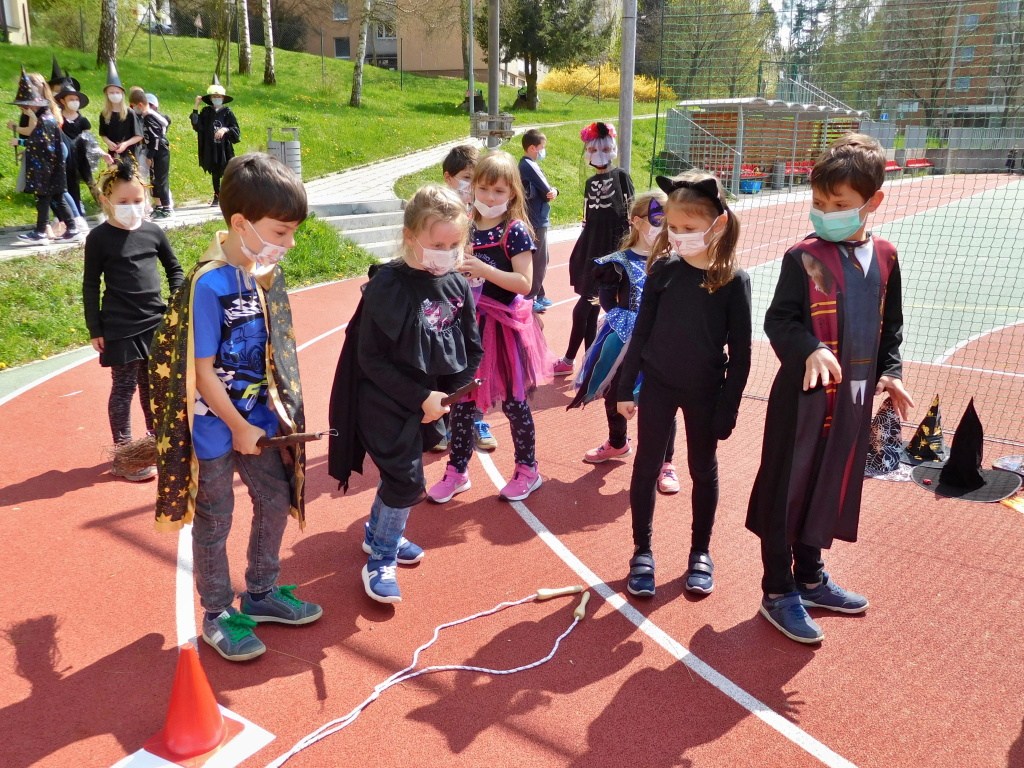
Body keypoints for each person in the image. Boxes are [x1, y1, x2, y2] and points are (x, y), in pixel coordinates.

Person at [148, 153, 322, 661]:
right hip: (215, 430)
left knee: (275, 498)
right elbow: (201, 373)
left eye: (293, 233)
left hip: (259, 423)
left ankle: (262, 592)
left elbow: (274, 354)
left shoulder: (262, 274)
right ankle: (218, 612)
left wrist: (267, 417)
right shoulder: (209, 284)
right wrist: (238, 426)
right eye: (281, 232)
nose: (289, 244)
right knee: (215, 518)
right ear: (241, 223)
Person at [746, 133, 914, 644]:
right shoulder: (805, 256)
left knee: (828, 487)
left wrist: (891, 372)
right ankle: (778, 591)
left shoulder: (885, 257)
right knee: (787, 490)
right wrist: (810, 348)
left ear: (872, 201)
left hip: (853, 402)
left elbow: (891, 328)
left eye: (838, 205)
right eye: (819, 202)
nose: (825, 213)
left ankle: (811, 578)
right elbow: (779, 320)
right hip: (803, 399)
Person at [328, 185, 483, 604]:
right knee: (407, 479)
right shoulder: (388, 286)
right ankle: (380, 558)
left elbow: (471, 347)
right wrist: (419, 397)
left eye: (454, 245)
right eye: (438, 245)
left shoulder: (457, 284)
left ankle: (379, 534)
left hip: (430, 404)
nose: (447, 254)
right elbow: (371, 359)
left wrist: (448, 397)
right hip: (383, 399)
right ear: (410, 236)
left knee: (401, 474)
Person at [616, 171, 751, 599]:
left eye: (688, 227)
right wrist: (624, 388)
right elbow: (641, 332)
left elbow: (742, 354)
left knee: (702, 470)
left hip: (705, 392)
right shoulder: (663, 271)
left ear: (718, 224)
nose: (677, 236)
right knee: (645, 466)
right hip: (658, 386)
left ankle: (700, 552)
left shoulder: (733, 281)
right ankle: (642, 551)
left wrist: (728, 409)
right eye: (672, 226)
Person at [428, 151, 554, 504]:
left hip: (503, 329)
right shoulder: (465, 226)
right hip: (468, 327)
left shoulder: (515, 231)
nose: (490, 197)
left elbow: (525, 282)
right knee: (463, 402)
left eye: (499, 191)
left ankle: (528, 470)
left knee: (515, 402)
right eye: (483, 188)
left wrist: (484, 271)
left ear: (512, 192)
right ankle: (457, 471)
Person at [568, 191, 681, 494]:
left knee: (662, 402)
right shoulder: (618, 262)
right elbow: (606, 301)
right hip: (623, 338)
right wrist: (631, 320)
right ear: (637, 221)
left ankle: (666, 462)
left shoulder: (673, 262)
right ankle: (618, 442)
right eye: (657, 220)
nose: (663, 227)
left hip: (661, 341)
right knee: (616, 393)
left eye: (668, 221)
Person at [83, 157, 183, 480]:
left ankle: (154, 444)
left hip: (154, 322)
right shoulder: (99, 239)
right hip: (120, 327)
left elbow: (174, 269)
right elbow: (90, 285)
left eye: (137, 200)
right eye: (123, 202)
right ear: (106, 200)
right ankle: (125, 455)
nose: (131, 207)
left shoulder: (153, 232)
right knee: (124, 387)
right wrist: (95, 327)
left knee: (152, 386)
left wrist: (176, 303)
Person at [555, 122, 634, 376]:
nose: (598, 154)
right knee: (590, 305)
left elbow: (631, 213)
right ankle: (589, 360)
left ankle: (571, 359)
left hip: (612, 249)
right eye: (592, 150)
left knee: (586, 306)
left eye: (604, 149)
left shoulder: (621, 176)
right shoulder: (590, 183)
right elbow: (588, 217)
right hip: (591, 248)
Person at [441, 143, 498, 453]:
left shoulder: (485, 213)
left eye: (477, 179)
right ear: (448, 178)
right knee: (443, 357)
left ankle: (476, 418)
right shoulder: (437, 213)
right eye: (467, 177)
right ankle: (442, 421)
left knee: (478, 359)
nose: (472, 185)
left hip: (478, 300)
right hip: (443, 298)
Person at [8, 68, 79, 244]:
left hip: (47, 167)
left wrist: (22, 143)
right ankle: (72, 229)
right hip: (49, 165)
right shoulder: (43, 116)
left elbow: (42, 143)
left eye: (26, 105)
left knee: (44, 198)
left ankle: (41, 232)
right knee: (56, 197)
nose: (24, 108)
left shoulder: (45, 119)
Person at [518, 128, 558, 312]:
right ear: (532, 148)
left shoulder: (526, 165)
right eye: (542, 147)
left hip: (534, 217)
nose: (543, 151)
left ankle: (538, 294)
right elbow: (548, 191)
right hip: (536, 218)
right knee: (540, 260)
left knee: (539, 258)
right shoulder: (529, 165)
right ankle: (531, 297)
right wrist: (554, 191)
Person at [190, 74, 240, 206]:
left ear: (223, 98)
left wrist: (225, 129)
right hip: (211, 148)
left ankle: (229, 195)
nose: (217, 99)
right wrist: (196, 106)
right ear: (211, 98)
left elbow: (235, 129)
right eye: (214, 96)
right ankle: (217, 196)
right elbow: (197, 125)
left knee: (228, 171)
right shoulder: (206, 112)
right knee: (215, 172)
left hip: (224, 148)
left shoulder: (227, 112)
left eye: (219, 97)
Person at [54, 76, 96, 227]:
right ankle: (74, 215)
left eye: (76, 99)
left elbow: (89, 139)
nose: (74, 102)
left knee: (91, 182)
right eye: (71, 99)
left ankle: (103, 206)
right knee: (70, 186)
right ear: (63, 101)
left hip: (82, 156)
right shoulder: (59, 119)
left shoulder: (83, 121)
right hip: (66, 158)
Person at [130, 89, 172, 218]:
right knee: (154, 180)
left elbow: (156, 138)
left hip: (160, 151)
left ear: (140, 105)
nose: (133, 109)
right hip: (153, 151)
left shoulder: (149, 117)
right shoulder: (144, 116)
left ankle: (167, 208)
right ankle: (159, 206)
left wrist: (150, 156)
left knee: (161, 179)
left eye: (133, 106)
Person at [97, 60, 143, 167]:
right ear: (107, 95)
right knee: (113, 175)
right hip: (113, 154)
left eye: (117, 92)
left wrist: (125, 144)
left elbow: (139, 136)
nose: (114, 95)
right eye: (111, 92)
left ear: (122, 94)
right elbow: (103, 134)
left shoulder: (130, 113)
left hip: (129, 154)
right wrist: (108, 142)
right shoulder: (104, 114)